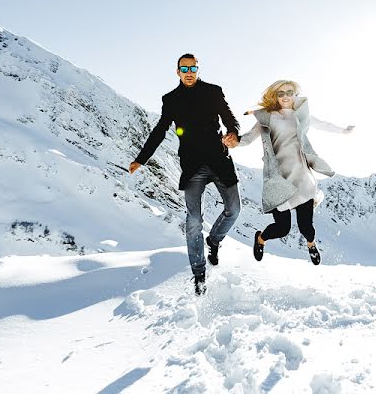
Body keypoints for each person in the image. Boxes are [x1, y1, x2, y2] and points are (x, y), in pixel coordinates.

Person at [129, 54, 241, 295]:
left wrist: (233, 132)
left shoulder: (213, 91)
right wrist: (141, 158)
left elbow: (230, 118)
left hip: (219, 160)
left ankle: (214, 240)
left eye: (193, 67)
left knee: (234, 210)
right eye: (184, 68)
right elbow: (159, 131)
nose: (189, 71)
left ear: (198, 69)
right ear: (177, 71)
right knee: (193, 222)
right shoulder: (171, 99)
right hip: (192, 167)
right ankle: (199, 274)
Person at [229, 80, 352, 265]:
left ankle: (311, 245)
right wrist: (234, 142)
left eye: (290, 92)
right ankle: (260, 239)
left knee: (306, 227)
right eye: (281, 93)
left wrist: (343, 131)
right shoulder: (267, 117)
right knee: (282, 228)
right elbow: (247, 139)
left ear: (295, 94)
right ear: (275, 97)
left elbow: (322, 124)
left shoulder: (300, 115)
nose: (286, 96)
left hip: (301, 175)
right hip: (279, 178)